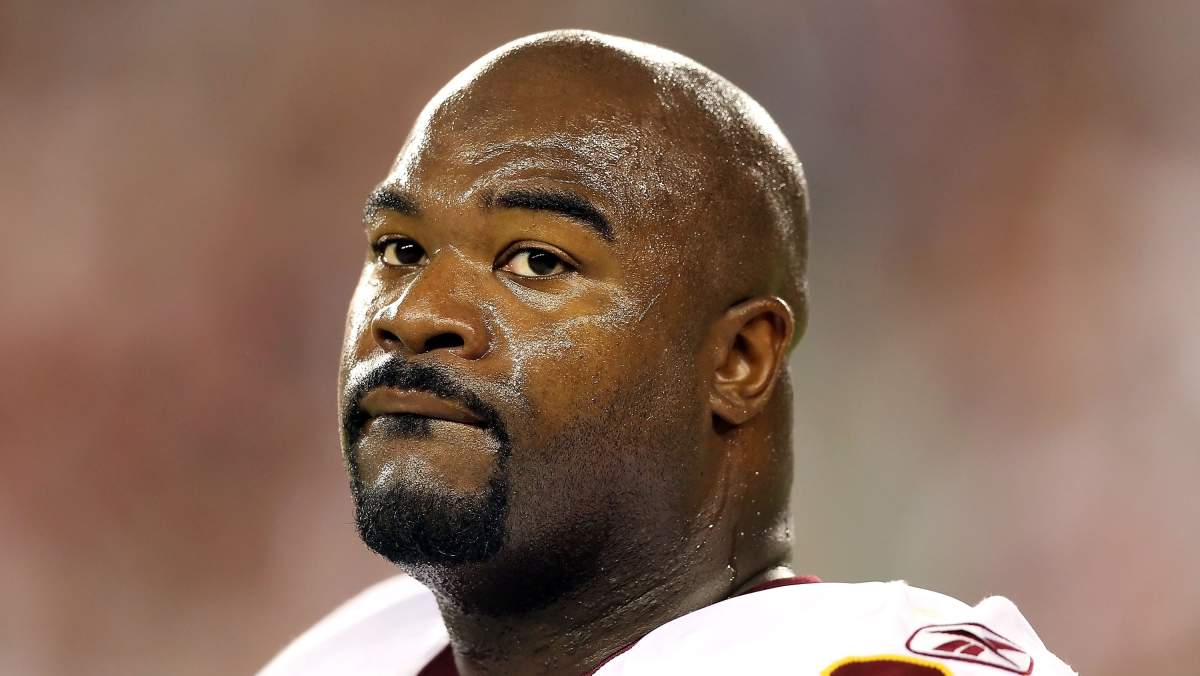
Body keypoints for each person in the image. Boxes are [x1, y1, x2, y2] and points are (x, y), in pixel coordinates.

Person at [261, 30, 1075, 675]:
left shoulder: (870, 667)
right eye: (400, 250)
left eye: (536, 261)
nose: (414, 314)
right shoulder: (344, 656)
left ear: (739, 361)